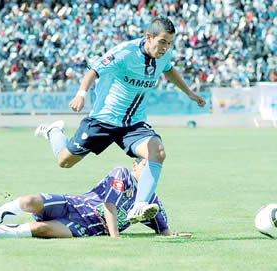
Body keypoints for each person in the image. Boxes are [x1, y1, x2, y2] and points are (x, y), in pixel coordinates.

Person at [35, 16, 206, 224]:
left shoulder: (164, 55)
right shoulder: (124, 52)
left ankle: (140, 205)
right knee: (64, 161)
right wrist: (81, 93)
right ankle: (54, 132)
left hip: (133, 123)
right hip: (104, 119)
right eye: (162, 42)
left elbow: (169, 70)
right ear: (149, 37)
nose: (166, 48)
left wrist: (189, 92)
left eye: (170, 43)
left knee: (157, 152)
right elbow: (93, 70)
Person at [0, 159, 192, 239]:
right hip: (74, 203)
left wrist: (172, 236)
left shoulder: (151, 200)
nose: (149, 171)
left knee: (42, 230)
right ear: (135, 165)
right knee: (29, 201)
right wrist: (115, 237)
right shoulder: (122, 174)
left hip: (84, 227)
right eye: (145, 165)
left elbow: (162, 229)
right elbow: (109, 205)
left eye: (154, 169)